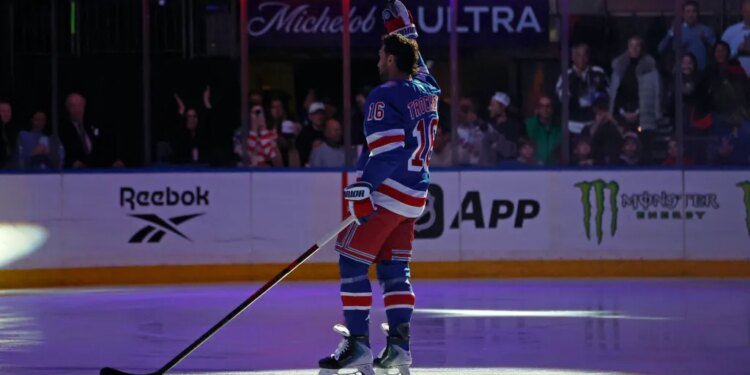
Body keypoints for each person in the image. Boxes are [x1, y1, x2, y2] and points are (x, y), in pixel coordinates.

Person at [318, 1, 440, 374]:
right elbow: (417, 63)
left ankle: (357, 344)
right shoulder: (428, 89)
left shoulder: (383, 95)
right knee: (394, 269)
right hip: (415, 196)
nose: (377, 59)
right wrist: (407, 30)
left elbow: (386, 153)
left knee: (352, 260)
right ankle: (400, 348)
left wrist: (364, 188)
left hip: (388, 194)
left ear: (390, 61)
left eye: (381, 53)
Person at [610, 36, 662, 133]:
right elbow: (615, 94)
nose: (634, 49)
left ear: (642, 48)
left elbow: (657, 94)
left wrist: (638, 112)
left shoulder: (651, 70)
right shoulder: (619, 68)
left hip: (643, 116)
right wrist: (622, 112)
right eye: (631, 46)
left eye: (637, 46)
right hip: (621, 115)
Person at [59, 93, 124, 168]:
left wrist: (114, 161)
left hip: (95, 172)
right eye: (73, 106)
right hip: (74, 174)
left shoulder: (91, 127)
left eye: (80, 106)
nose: (77, 110)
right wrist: (72, 163)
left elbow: (102, 150)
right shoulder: (62, 129)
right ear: (68, 109)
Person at [555, 43, 609, 133]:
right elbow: (563, 99)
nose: (582, 59)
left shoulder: (598, 73)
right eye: (578, 55)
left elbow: (608, 94)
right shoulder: (566, 76)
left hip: (595, 123)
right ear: (573, 57)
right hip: (573, 124)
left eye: (585, 55)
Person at [658, 1, 716, 71]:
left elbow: (714, 53)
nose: (691, 14)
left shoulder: (706, 31)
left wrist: (705, 41)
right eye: (688, 11)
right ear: (683, 14)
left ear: (697, 13)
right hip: (681, 73)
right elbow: (661, 48)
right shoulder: (677, 30)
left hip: (702, 72)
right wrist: (671, 33)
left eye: (694, 11)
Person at [172, 86, 212, 165]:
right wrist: (181, 109)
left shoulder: (203, 133)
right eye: (189, 116)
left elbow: (211, 122)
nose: (191, 119)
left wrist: (207, 103)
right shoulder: (181, 135)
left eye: (194, 116)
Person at [481, 91, 523, 164]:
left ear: (503, 107)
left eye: (493, 105)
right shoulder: (489, 124)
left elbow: (511, 150)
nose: (489, 108)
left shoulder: (513, 126)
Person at [525, 95, 561, 166]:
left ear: (552, 108)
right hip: (534, 166)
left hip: (555, 167)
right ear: (537, 108)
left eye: (548, 106)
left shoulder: (559, 126)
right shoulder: (529, 124)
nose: (545, 109)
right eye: (541, 106)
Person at [721, 0, 750, 77]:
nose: (749, 14)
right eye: (746, 11)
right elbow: (720, 55)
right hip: (735, 79)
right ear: (742, 12)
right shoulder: (730, 32)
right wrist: (737, 51)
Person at [297, 101, 327, 167]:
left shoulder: (328, 130)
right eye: (316, 114)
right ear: (310, 116)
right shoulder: (304, 133)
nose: (319, 116)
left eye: (321, 113)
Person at [0, 100, 20, 168]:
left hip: (11, 169)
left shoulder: (12, 130)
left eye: (8, 111)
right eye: (3, 111)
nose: (6, 113)